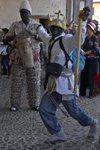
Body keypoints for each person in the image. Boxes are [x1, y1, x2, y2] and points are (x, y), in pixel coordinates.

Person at [35, 9, 99, 143]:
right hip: (53, 85)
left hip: (66, 84)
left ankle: (93, 123)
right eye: (53, 28)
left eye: (57, 28)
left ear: (63, 29)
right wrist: (37, 26)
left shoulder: (67, 39)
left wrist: (83, 21)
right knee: (44, 109)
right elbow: (42, 34)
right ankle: (58, 133)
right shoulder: (51, 40)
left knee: (74, 112)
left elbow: (79, 40)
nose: (54, 30)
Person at [5, 0, 41, 111]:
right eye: (22, 12)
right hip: (18, 58)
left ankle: (35, 104)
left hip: (34, 58)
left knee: (34, 83)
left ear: (30, 13)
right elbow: (6, 38)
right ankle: (15, 104)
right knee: (16, 82)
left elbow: (43, 39)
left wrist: (34, 35)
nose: (24, 14)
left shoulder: (36, 25)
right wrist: (14, 35)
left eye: (26, 12)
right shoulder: (15, 25)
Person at [80, 22, 100, 99]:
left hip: (93, 60)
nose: (86, 29)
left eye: (88, 28)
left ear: (91, 29)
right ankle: (82, 91)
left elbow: (96, 49)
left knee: (92, 76)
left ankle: (92, 93)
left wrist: (87, 52)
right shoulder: (85, 38)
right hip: (85, 59)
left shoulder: (95, 38)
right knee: (83, 75)